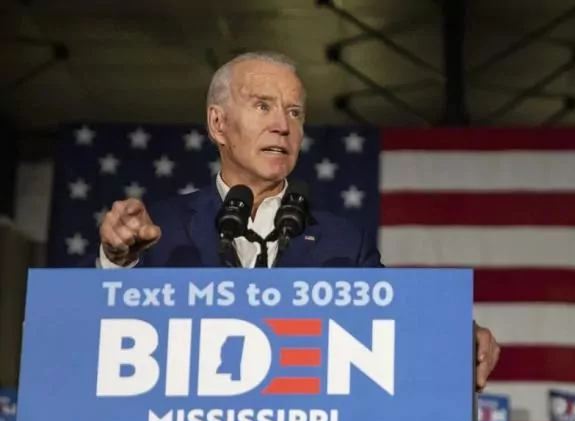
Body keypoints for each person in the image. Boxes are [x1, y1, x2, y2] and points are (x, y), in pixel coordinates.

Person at [95, 50, 501, 390]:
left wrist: (458, 338)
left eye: (294, 112)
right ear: (218, 124)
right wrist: (115, 263)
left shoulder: (342, 243)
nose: (282, 126)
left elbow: (393, 320)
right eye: (262, 106)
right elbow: (86, 335)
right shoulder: (160, 228)